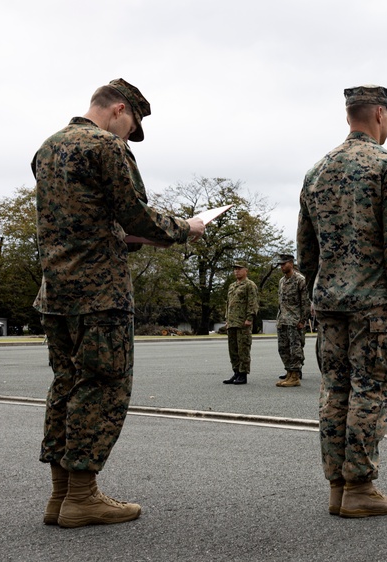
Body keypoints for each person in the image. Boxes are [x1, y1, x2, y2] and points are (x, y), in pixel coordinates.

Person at [33, 78, 204, 528]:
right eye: (132, 125)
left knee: (66, 386)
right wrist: (186, 227)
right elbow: (137, 214)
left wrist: (128, 236)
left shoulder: (47, 148)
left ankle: (60, 497)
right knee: (102, 387)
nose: (129, 135)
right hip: (99, 293)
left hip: (56, 291)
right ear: (119, 109)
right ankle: (84, 497)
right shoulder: (106, 147)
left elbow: (86, 222)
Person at [297, 85, 387, 517]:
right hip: (374, 305)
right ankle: (360, 488)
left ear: (351, 116)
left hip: (329, 303)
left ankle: (337, 488)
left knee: (335, 392)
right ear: (380, 115)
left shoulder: (317, 170)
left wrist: (318, 288)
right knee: (370, 391)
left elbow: (305, 248)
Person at [275, 253, 311, 387]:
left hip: (295, 320)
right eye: (280, 264)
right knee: (283, 348)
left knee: (295, 349)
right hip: (283, 319)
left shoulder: (300, 280)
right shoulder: (282, 281)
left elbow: (305, 302)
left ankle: (295, 376)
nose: (282, 266)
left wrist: (303, 320)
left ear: (291, 263)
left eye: (284, 264)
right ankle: (289, 373)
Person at [223, 262, 259, 385]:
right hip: (232, 322)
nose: (236, 271)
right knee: (233, 349)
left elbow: (253, 303)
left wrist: (249, 318)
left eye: (239, 269)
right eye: (235, 269)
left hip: (243, 323)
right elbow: (228, 303)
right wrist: (227, 319)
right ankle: (236, 372)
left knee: (243, 349)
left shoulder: (249, 285)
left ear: (246, 270)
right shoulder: (232, 286)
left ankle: (243, 374)